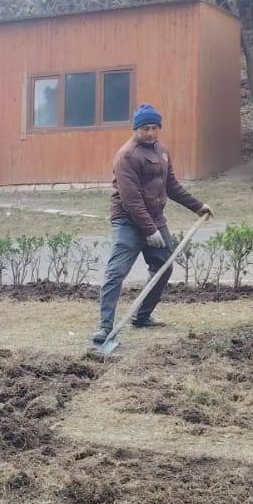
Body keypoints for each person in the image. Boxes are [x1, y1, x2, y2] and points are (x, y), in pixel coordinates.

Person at [91, 103, 213, 345]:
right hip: (128, 221)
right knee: (116, 272)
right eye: (145, 128)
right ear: (136, 129)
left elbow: (172, 186)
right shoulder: (127, 156)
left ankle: (142, 316)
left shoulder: (162, 151)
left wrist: (198, 206)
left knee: (164, 266)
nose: (150, 133)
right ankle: (104, 327)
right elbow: (131, 200)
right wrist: (150, 231)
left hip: (155, 219)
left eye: (155, 128)